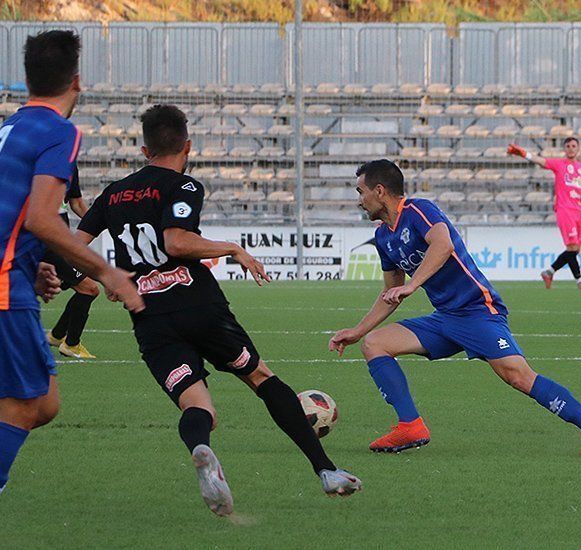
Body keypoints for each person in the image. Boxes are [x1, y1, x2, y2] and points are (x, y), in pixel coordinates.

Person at [75, 105, 360, 516]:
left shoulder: (112, 194)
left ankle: (203, 450)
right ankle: (326, 471)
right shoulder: (185, 187)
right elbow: (175, 242)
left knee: (199, 408)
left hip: (149, 318)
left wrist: (111, 278)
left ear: (143, 149)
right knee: (261, 377)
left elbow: (74, 245)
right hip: (199, 307)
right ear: (187, 146)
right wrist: (232, 248)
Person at [329, 159, 581, 459]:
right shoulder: (383, 236)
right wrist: (357, 330)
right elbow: (390, 292)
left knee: (518, 376)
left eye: (360, 191)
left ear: (379, 191)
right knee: (374, 343)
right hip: (445, 318)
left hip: (478, 310)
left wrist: (412, 285)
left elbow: (443, 246)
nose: (359, 200)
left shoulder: (418, 210)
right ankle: (410, 425)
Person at [0, 30, 143, 496]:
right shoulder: (60, 132)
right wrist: (107, 272)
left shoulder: (9, 128)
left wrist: (32, 262)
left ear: (26, 80)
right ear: (76, 82)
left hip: (13, 274)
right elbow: (43, 217)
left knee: (43, 403)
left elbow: (17, 212)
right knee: (27, 405)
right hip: (4, 286)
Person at [507, 138, 581, 290]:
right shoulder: (559, 164)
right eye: (568, 146)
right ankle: (580, 281)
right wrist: (523, 154)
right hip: (564, 210)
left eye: (574, 146)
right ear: (564, 149)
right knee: (572, 247)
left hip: (577, 212)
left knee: (575, 250)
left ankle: (549, 272)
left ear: (578, 149)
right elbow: (540, 161)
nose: (571, 148)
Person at [44, 166, 102, 359]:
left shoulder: (69, 164)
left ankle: (57, 335)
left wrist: (99, 222)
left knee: (86, 288)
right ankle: (71, 344)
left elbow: (76, 203)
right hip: (47, 239)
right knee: (89, 289)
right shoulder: (37, 158)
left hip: (59, 240)